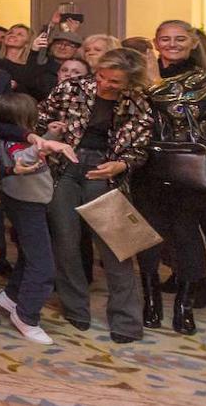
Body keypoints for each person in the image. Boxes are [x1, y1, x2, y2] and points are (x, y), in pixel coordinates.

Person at [41, 47, 152, 343]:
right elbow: (40, 121)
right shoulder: (71, 88)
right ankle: (75, 309)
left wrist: (121, 164)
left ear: (130, 81)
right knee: (66, 243)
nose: (104, 84)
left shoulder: (138, 100)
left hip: (105, 172)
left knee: (118, 249)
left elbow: (140, 145)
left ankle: (127, 322)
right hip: (65, 168)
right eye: (102, 76)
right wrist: (51, 132)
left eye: (114, 82)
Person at [135, 20, 206, 335]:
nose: (172, 44)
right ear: (156, 43)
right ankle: (151, 301)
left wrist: (153, 82)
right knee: (147, 235)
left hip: (189, 168)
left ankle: (184, 304)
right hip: (147, 165)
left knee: (185, 234)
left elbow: (175, 108)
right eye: (165, 39)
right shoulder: (139, 73)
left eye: (180, 39)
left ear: (192, 42)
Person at [0, 93, 75, 344]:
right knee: (43, 265)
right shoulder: (13, 143)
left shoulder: (8, 136)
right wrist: (42, 144)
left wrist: (48, 137)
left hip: (29, 201)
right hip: (27, 204)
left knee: (29, 254)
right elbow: (22, 157)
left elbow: (31, 150)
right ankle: (27, 316)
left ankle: (12, 296)